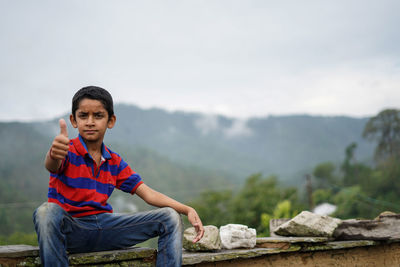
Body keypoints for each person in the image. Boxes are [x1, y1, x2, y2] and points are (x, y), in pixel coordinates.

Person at [33, 86, 204, 267]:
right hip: (72, 231)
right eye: (83, 116)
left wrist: (187, 209)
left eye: (98, 116)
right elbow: (52, 165)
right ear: (73, 120)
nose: (90, 122)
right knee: (46, 211)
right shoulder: (66, 151)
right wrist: (54, 154)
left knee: (169, 217)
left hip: (106, 229)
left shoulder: (113, 161)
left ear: (111, 121)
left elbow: (148, 194)